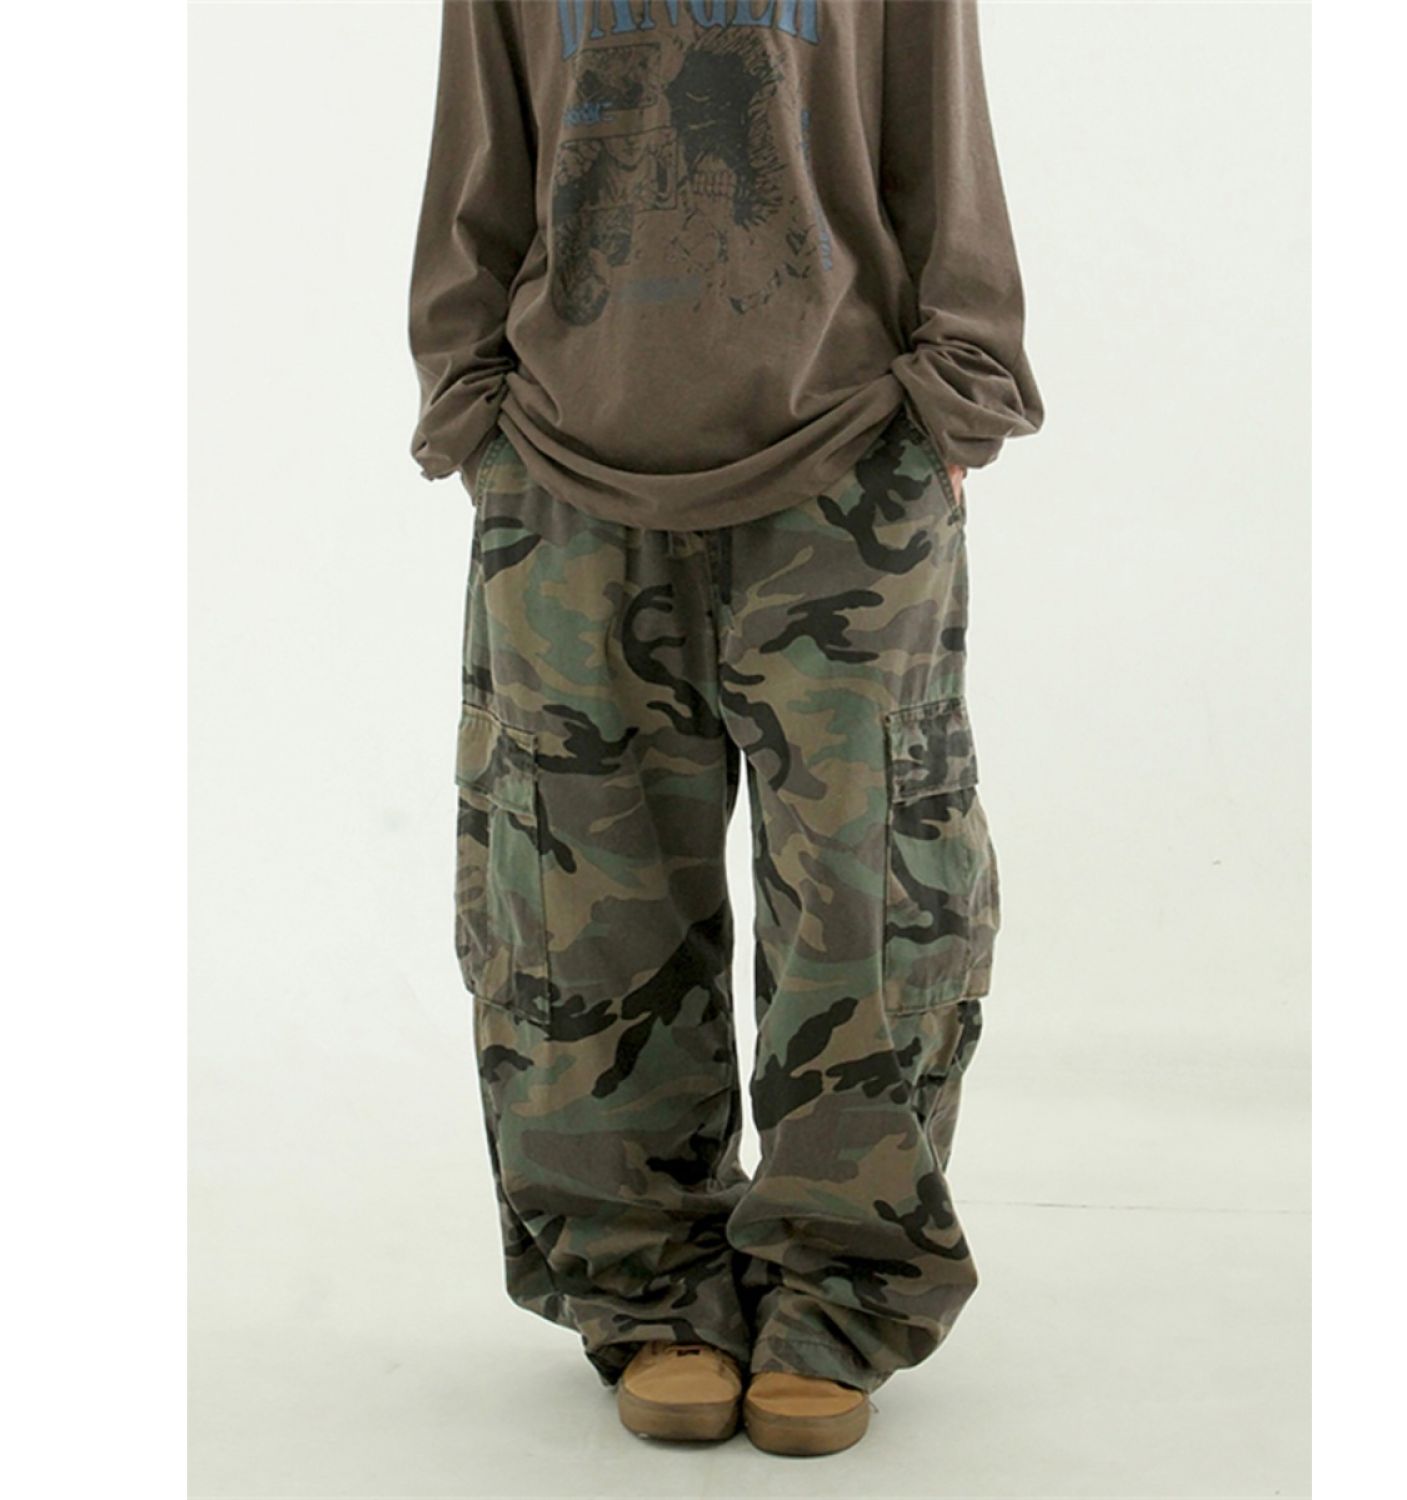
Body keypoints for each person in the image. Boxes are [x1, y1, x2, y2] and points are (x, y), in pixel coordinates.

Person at [408, 0, 1042, 1457]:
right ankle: (651, 1288)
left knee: (874, 907)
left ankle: (838, 1288)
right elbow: (475, 162)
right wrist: (472, 404)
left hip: (843, 463)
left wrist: (957, 389)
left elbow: (941, 140)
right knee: (578, 914)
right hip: (568, 473)